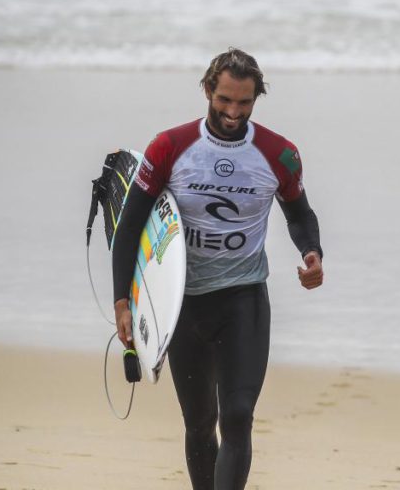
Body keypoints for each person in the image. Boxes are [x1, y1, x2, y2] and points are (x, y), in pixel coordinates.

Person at [112, 48, 324, 490]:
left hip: (242, 299)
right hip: (182, 304)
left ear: (255, 99)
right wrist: (123, 302)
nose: (233, 112)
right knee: (199, 422)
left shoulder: (278, 154)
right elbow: (131, 224)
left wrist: (311, 251)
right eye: (225, 99)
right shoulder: (170, 147)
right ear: (208, 90)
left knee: (238, 416)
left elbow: (300, 214)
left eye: (244, 103)